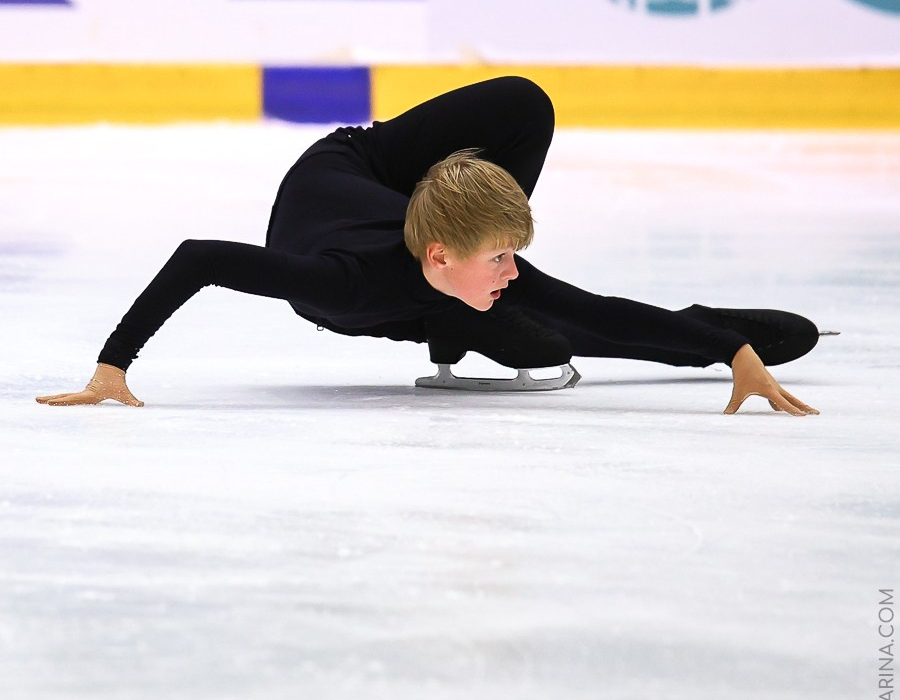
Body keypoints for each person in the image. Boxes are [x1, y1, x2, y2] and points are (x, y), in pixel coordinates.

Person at [36, 76, 820, 415]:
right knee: (540, 340)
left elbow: (599, 305)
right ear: (441, 254)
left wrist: (729, 350)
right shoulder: (338, 284)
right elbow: (199, 255)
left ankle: (481, 237)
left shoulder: (474, 264)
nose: (513, 271)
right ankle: (466, 309)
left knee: (523, 112)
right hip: (335, 188)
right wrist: (113, 367)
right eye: (501, 256)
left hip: (397, 200)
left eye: (510, 253)